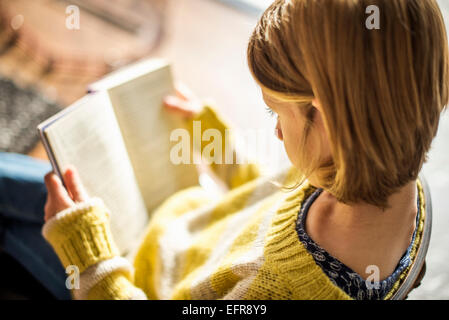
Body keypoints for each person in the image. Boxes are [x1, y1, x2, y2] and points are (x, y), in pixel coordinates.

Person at [1, 0, 448, 300]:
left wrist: (91, 259)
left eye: (276, 113)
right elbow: (264, 200)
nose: (273, 132)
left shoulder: (276, 292)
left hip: (127, 277)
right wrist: (214, 142)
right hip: (173, 233)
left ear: (327, 120)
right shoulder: (375, 172)